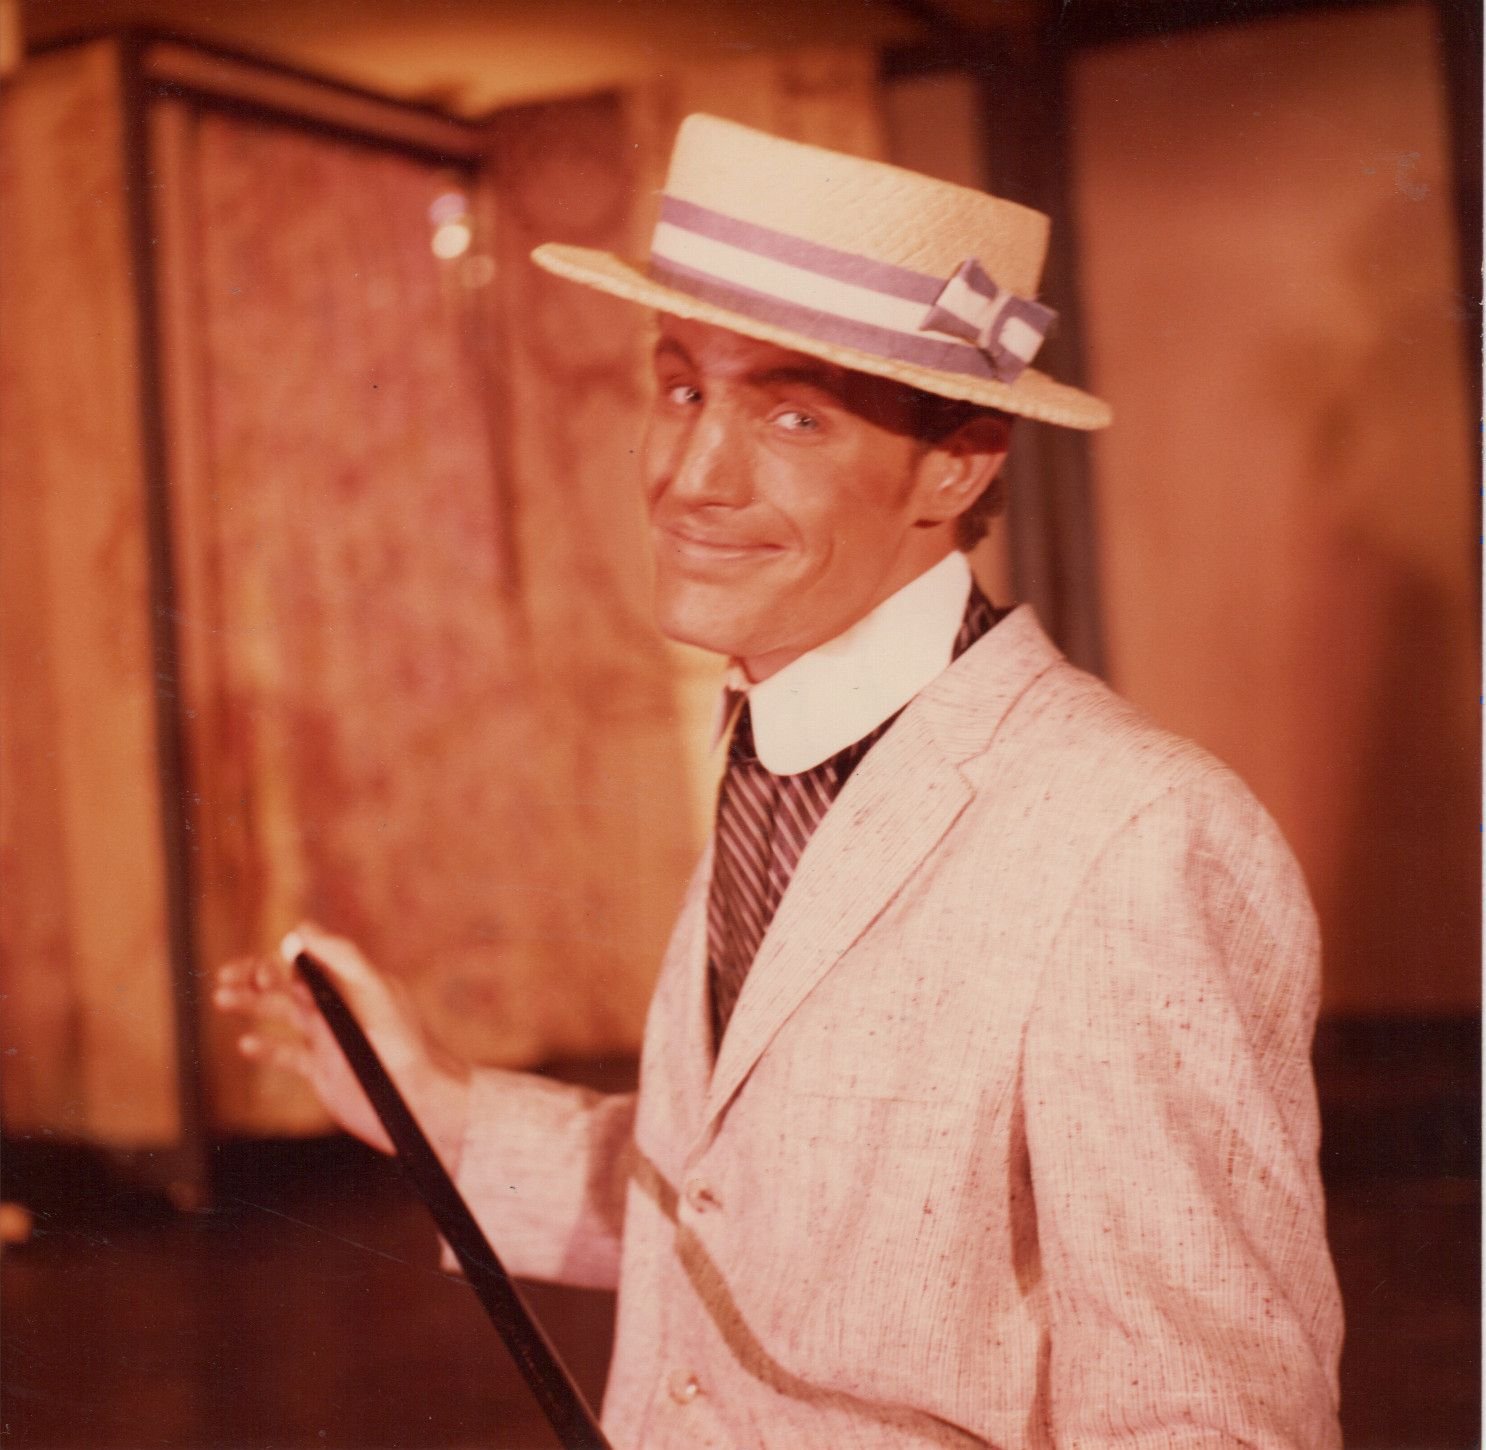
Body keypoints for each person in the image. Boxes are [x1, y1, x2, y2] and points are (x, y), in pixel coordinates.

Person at [215, 114, 1344, 1448]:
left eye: (793, 415)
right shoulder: (780, 734)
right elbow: (757, 1198)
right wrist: (433, 1103)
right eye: (681, 388)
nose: (690, 477)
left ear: (958, 460)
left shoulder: (1140, 837)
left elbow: (1210, 1420)